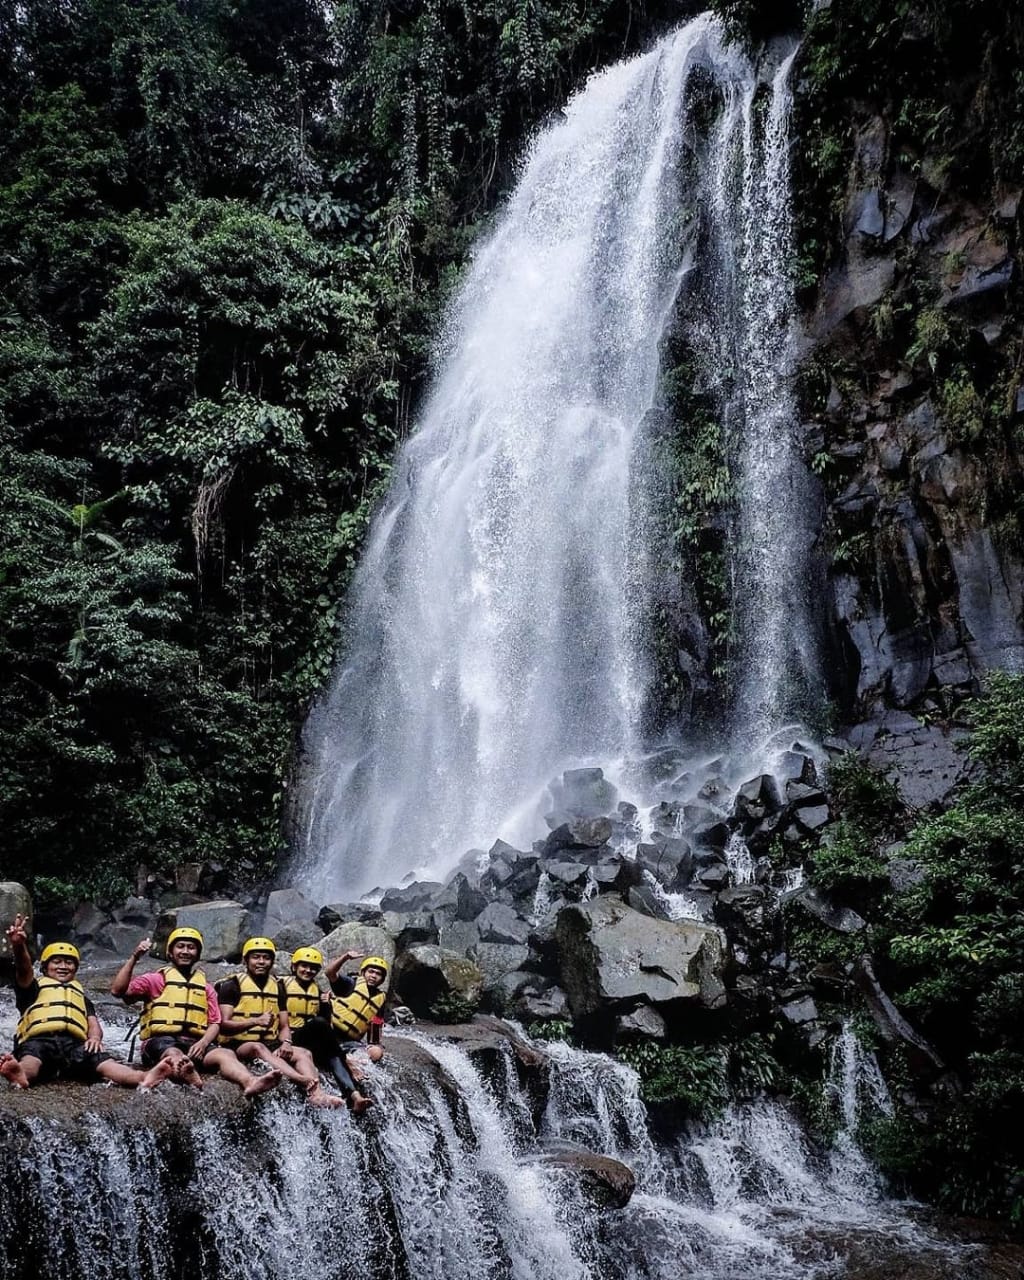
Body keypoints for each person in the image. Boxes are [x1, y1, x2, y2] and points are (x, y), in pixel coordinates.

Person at [0, 914, 173, 1091]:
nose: (63, 966)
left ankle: (142, 1077)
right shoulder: (31, 988)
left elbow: (92, 1022)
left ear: (75, 969)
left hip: (74, 1045)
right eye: (56, 962)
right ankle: (21, 1074)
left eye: (69, 963)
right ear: (44, 968)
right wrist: (19, 945)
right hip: (39, 1040)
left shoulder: (80, 996)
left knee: (106, 1063)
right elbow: (24, 969)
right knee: (31, 1059)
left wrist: (95, 1038)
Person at [110, 926, 281, 1097]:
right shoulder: (154, 980)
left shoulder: (206, 988)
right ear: (170, 952)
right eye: (181, 946)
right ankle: (186, 1072)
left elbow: (215, 1022)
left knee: (225, 1053)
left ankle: (250, 1081)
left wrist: (204, 1043)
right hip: (160, 1042)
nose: (185, 951)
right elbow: (118, 991)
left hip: (194, 1044)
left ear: (198, 954)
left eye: (191, 948)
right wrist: (134, 957)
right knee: (174, 1053)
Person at [215, 937, 341, 1108]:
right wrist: (254, 1021)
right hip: (238, 1043)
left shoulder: (277, 987)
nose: (261, 962)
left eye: (266, 958)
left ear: (272, 962)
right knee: (257, 1047)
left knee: (303, 1053)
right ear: (246, 960)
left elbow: (284, 1026)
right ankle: (302, 1080)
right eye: (256, 957)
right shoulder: (231, 985)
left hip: (269, 1041)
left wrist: (287, 1042)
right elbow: (223, 1025)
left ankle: (317, 1095)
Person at [283, 946, 372, 1113]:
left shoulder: (316, 990)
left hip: (308, 1041)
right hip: (290, 1038)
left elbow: (326, 1021)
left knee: (333, 1057)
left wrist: (325, 1005)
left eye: (312, 968)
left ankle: (355, 1096)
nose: (308, 970)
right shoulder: (280, 985)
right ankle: (347, 1061)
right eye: (304, 966)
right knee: (319, 1024)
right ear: (294, 967)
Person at [322, 951, 390, 1112]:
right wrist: (345, 957)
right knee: (341, 1054)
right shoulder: (350, 983)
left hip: (351, 1040)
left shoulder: (380, 998)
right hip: (331, 1032)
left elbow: (376, 1024)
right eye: (371, 971)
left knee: (375, 1053)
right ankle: (348, 1062)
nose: (374, 976)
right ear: (363, 972)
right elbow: (329, 972)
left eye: (378, 974)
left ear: (382, 979)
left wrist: (375, 1046)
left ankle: (352, 1059)